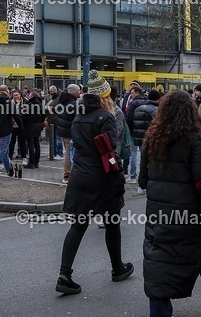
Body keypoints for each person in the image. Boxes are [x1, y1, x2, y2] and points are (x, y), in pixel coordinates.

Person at [139, 90, 201, 317]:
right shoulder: (196, 138)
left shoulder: (152, 137)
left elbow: (142, 179)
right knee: (199, 249)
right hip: (188, 211)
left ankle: (161, 306)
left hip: (158, 211)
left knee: (161, 255)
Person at [56, 70, 134, 296]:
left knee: (78, 226)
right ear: (105, 96)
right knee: (112, 222)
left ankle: (64, 274)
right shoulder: (105, 117)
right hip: (102, 177)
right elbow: (110, 145)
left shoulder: (78, 114)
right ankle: (117, 268)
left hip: (80, 174)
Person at [129, 89, 160, 184]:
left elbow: (131, 120)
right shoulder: (156, 110)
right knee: (149, 157)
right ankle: (148, 178)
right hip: (149, 137)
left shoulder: (138, 108)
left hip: (137, 135)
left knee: (135, 154)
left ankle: (134, 176)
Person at [55, 84, 81, 182]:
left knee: (68, 153)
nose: (80, 93)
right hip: (70, 132)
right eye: (78, 91)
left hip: (64, 131)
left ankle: (68, 174)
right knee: (69, 154)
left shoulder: (63, 102)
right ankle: (68, 175)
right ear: (74, 93)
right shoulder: (74, 104)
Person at [24, 88, 46, 168]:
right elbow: (44, 116)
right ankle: (36, 162)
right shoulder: (41, 105)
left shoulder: (28, 105)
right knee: (37, 145)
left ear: (31, 96)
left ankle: (31, 162)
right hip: (38, 126)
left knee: (30, 145)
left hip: (29, 126)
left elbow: (24, 117)